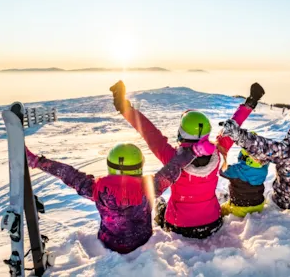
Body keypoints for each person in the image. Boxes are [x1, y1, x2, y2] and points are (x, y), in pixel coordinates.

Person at [110, 81, 265, 239]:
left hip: (179, 226)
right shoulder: (218, 152)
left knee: (160, 206)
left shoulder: (173, 159)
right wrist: (250, 102)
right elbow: (233, 126)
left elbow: (150, 133)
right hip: (212, 223)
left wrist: (125, 108)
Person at [24, 139, 215, 254]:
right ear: (139, 166)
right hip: (142, 240)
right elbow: (173, 168)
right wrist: (194, 152)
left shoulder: (96, 188)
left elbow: (68, 174)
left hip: (109, 242)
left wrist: (38, 162)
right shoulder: (149, 187)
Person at [219, 133, 270, 217]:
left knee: (221, 209)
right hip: (259, 205)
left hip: (239, 208)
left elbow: (221, 171)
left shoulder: (236, 170)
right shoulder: (263, 167)